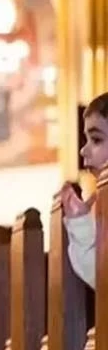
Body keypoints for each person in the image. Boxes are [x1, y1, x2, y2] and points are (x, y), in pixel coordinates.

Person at [59, 92, 108, 289]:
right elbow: (101, 278)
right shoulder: (100, 202)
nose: (83, 150)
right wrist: (79, 222)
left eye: (96, 140)